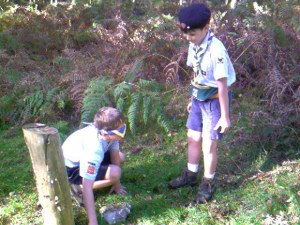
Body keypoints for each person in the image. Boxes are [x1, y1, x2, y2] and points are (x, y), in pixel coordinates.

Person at [169, 3, 236, 204]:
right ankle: (190, 174)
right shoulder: (194, 44)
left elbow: (222, 85)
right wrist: (192, 100)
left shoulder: (217, 51)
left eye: (193, 34)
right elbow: (196, 73)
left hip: (215, 101)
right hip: (199, 98)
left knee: (209, 145)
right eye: (186, 34)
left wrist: (225, 116)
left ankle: (207, 182)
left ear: (206, 28)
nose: (188, 38)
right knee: (193, 138)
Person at [62, 107, 127, 225]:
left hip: (85, 157)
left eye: (123, 127)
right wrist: (93, 221)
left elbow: (115, 155)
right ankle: (77, 187)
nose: (122, 132)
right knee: (115, 173)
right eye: (120, 130)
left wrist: (117, 185)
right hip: (72, 168)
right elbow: (88, 185)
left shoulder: (112, 136)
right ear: (107, 133)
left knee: (120, 157)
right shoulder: (94, 150)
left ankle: (109, 180)